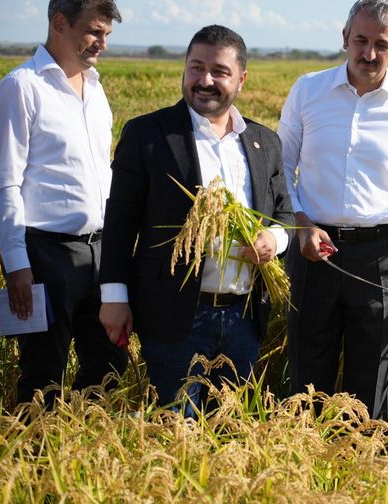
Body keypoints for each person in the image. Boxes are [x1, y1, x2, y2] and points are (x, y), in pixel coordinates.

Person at [99, 25, 293, 416]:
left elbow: (284, 212)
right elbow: (119, 222)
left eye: (219, 71)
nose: (205, 80)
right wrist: (114, 297)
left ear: (241, 79)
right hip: (175, 316)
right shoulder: (148, 135)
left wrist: (274, 240)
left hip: (244, 318)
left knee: (231, 432)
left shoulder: (263, 141)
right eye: (196, 68)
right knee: (174, 427)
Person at [278, 0, 388, 420]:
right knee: (308, 364)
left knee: (371, 371)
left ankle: (364, 464)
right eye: (361, 41)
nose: (369, 54)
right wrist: (300, 224)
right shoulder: (308, 90)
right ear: (344, 39)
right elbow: (279, 168)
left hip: (383, 253)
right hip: (312, 248)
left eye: (381, 44)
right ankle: (301, 463)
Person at [0, 0, 126, 407]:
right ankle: (34, 462)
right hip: (45, 254)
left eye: (106, 35)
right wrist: (17, 265)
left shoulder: (96, 88)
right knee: (43, 375)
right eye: (94, 32)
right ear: (60, 23)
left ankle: (90, 458)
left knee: (108, 366)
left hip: (101, 250)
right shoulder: (22, 87)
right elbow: (5, 185)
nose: (102, 43)